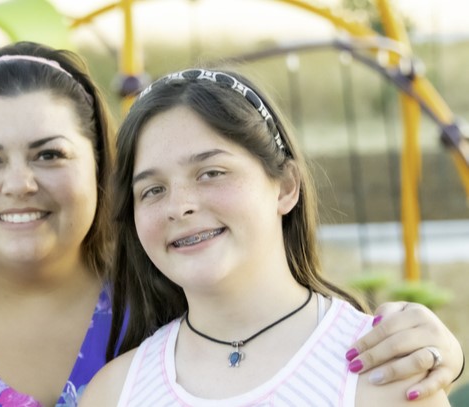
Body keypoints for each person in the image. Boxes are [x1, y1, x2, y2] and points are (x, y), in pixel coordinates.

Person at [0, 43, 461, 406]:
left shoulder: (160, 295)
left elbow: (281, 323)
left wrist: (432, 348)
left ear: (101, 174)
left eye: (50, 154)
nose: (20, 183)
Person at [80, 68, 458, 406]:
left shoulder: (383, 372)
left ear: (286, 187)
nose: (179, 207)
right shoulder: (114, 392)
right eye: (152, 190)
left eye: (211, 173)